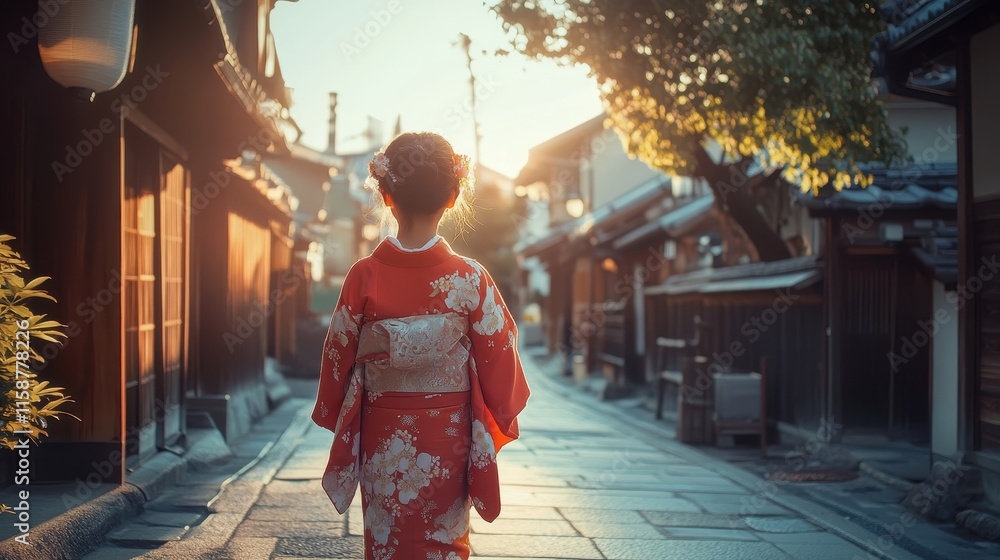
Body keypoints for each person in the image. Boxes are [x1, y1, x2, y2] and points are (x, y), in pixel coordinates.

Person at [312, 132, 530, 559]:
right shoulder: (470, 279)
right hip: (447, 435)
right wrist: (501, 407)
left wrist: (333, 403)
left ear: (385, 193)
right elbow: (501, 354)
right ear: (452, 196)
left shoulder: (364, 275)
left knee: (387, 537)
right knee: (443, 541)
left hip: (383, 432)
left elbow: (337, 351)